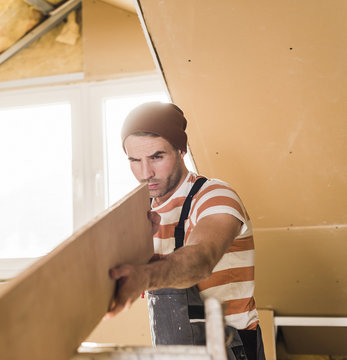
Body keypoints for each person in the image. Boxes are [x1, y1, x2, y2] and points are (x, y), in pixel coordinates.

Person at [105, 102, 265, 360]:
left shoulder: (214, 195)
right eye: (135, 160)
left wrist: (145, 276)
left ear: (181, 150)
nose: (146, 173)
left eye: (157, 157)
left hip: (229, 351)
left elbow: (200, 259)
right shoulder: (141, 214)